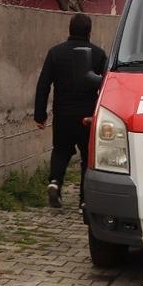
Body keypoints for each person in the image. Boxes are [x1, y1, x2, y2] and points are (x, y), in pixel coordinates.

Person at [34, 13, 107, 209]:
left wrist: (40, 115)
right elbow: (107, 87)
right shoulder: (98, 54)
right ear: (90, 32)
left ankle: (55, 183)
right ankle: (84, 199)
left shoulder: (55, 53)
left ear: (69, 29)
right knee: (87, 156)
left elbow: (43, 84)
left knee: (60, 151)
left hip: (63, 115)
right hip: (87, 117)